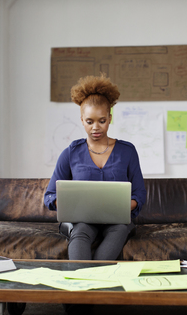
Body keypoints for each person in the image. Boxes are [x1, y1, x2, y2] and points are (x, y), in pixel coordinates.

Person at [44, 73, 147, 262]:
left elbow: (139, 195)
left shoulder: (127, 151)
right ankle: (83, 284)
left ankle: (91, 284)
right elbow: (50, 196)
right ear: (82, 120)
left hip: (117, 221)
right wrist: (74, 206)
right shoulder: (71, 152)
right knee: (81, 230)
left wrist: (116, 206)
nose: (96, 127)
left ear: (109, 118)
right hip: (83, 220)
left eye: (102, 120)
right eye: (89, 121)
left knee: (120, 229)